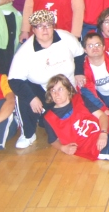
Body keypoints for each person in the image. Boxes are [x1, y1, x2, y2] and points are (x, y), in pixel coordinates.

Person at [8, 10, 85, 149]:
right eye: (39, 26)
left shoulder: (66, 38)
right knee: (23, 93)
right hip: (44, 92)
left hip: (68, 92)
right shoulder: (25, 51)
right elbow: (14, 79)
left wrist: (79, 72)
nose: (45, 29)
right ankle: (28, 133)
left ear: (53, 26)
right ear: (33, 29)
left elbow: (80, 54)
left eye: (48, 25)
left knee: (63, 129)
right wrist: (32, 98)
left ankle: (46, 119)